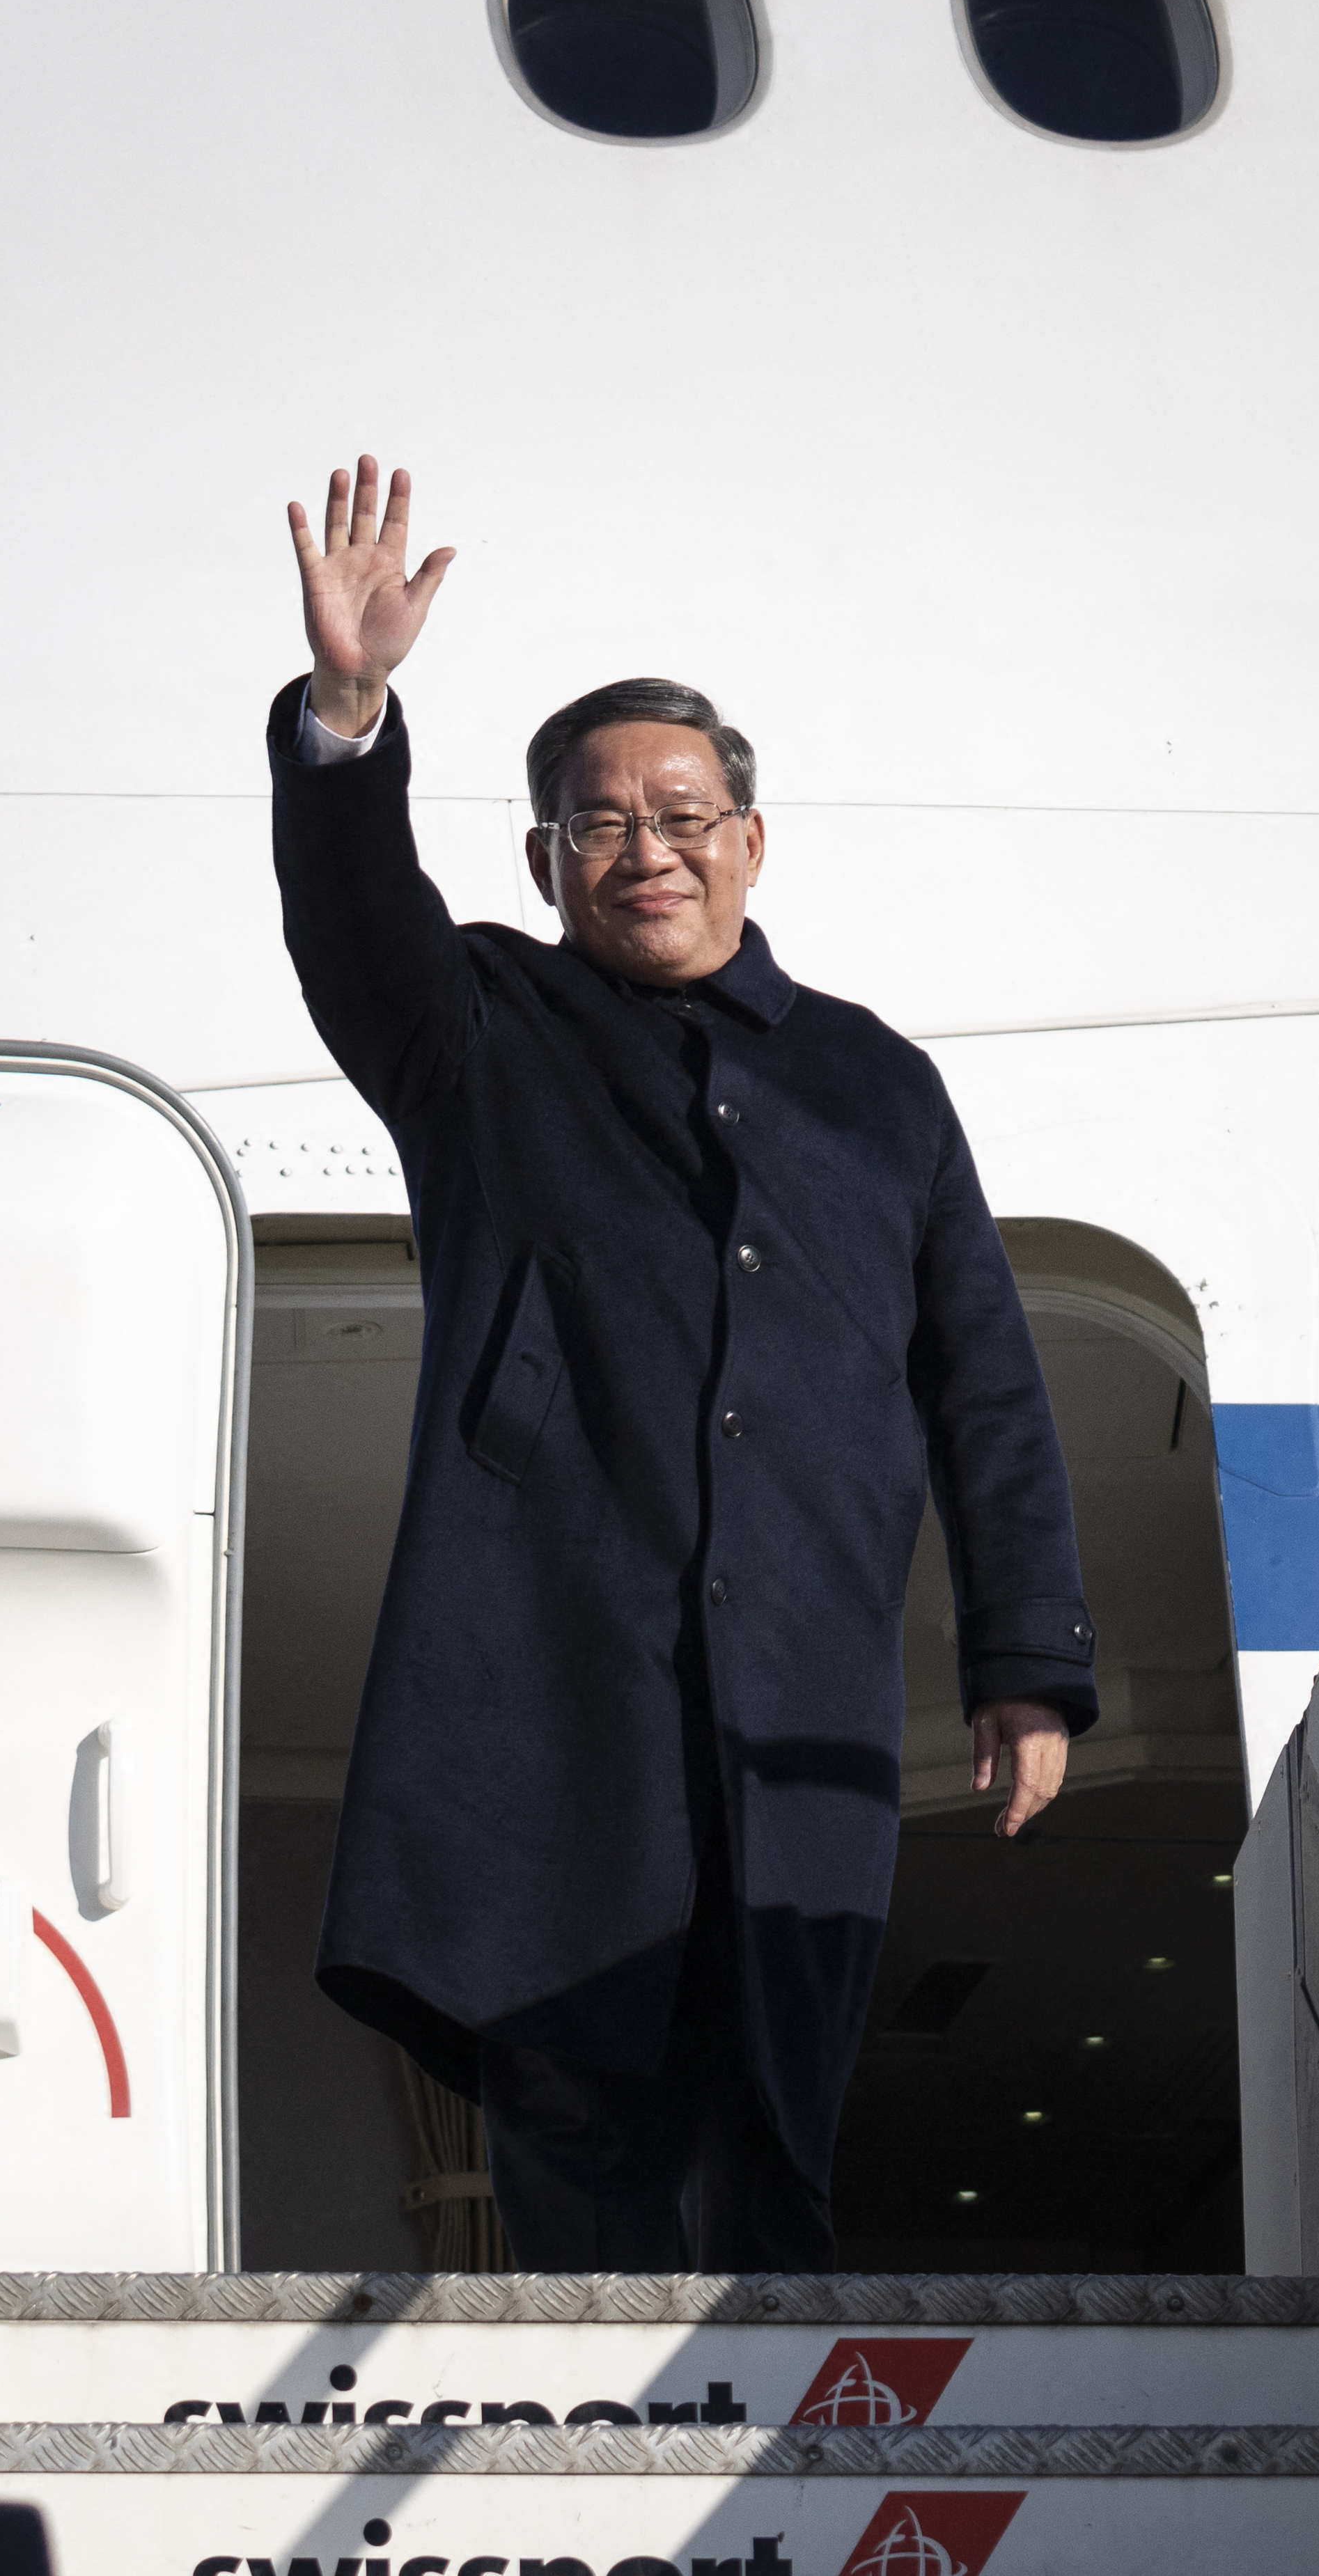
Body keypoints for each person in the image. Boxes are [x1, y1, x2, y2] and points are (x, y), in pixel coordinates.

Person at [268, 455, 1095, 2271]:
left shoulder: (876, 1084)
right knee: (580, 2100)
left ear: (752, 837)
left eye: (684, 812)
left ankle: (772, 2501)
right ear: (548, 862)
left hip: (796, 1692)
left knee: (776, 2114)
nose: (648, 848)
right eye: (601, 824)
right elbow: (349, 915)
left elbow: (984, 1380)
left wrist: (1029, 1663)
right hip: (547, 1689)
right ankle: (618, 2480)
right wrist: (346, 713)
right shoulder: (479, 1028)